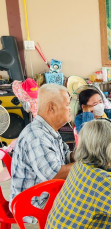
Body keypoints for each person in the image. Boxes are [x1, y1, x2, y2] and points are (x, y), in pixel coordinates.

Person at [9, 84, 74, 221]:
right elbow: (56, 175)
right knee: (92, 201)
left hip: (42, 195)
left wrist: (86, 153)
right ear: (52, 107)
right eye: (67, 104)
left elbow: (66, 156)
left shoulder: (50, 130)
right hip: (33, 203)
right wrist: (90, 161)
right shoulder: (37, 136)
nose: (70, 109)